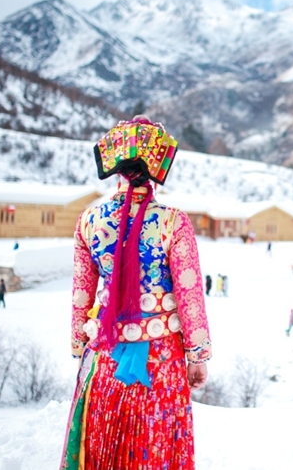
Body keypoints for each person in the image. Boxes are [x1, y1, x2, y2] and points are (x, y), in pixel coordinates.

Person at [61, 117, 211, 470]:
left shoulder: (89, 220)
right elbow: (190, 295)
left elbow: (82, 295)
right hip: (162, 361)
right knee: (155, 449)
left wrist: (79, 347)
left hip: (105, 356)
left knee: (103, 450)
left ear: (116, 169)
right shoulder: (173, 222)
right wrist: (198, 356)